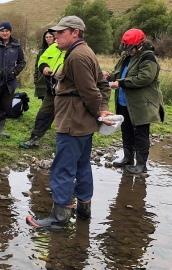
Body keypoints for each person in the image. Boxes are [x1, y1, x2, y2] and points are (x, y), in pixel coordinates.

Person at [26, 16, 114, 229]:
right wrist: (101, 110)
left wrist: (98, 114)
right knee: (82, 166)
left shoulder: (76, 56)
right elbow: (103, 85)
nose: (56, 36)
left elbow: (92, 92)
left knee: (63, 169)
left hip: (73, 123)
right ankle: (84, 212)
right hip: (82, 125)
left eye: (61, 32)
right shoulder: (85, 52)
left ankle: (59, 219)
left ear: (75, 32)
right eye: (55, 32)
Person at [105, 29, 164, 174]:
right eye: (127, 48)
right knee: (127, 131)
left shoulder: (148, 58)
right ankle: (128, 158)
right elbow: (118, 73)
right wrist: (109, 76)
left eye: (131, 48)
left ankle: (141, 165)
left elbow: (144, 78)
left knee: (140, 134)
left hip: (142, 104)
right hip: (124, 102)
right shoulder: (126, 57)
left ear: (140, 45)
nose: (128, 51)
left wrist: (120, 83)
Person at [19, 37, 65, 149]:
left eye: (60, 34)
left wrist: (62, 72)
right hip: (51, 88)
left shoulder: (74, 50)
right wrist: (44, 67)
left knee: (67, 118)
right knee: (43, 114)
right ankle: (34, 139)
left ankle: (66, 145)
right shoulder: (53, 47)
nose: (56, 38)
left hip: (67, 91)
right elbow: (42, 60)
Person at [34, 31, 55, 100]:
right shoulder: (41, 51)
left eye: (50, 37)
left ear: (54, 37)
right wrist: (35, 80)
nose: (48, 39)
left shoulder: (58, 51)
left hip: (53, 81)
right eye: (46, 37)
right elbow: (36, 67)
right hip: (42, 82)